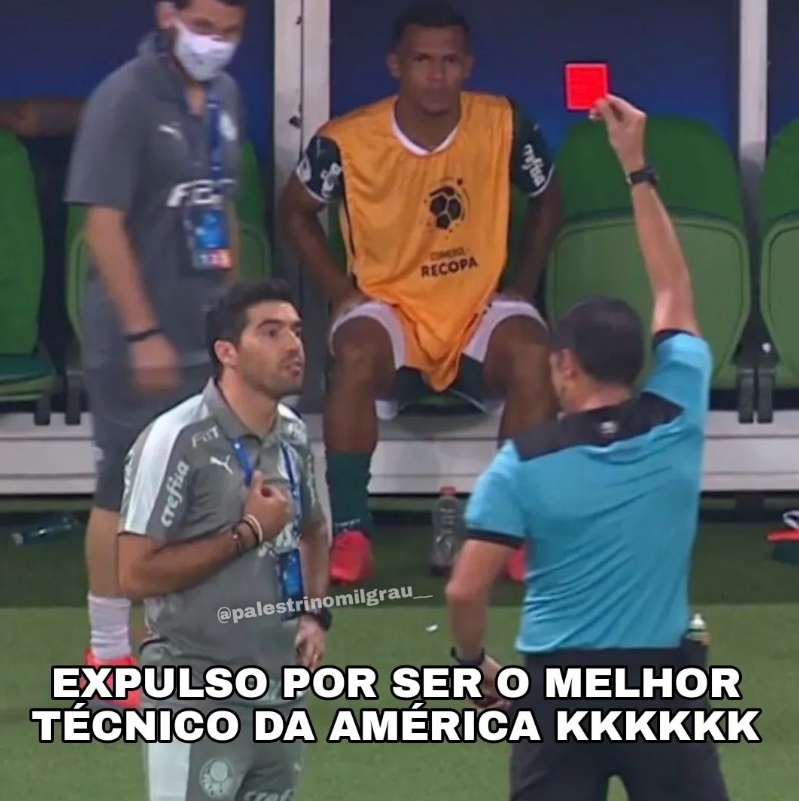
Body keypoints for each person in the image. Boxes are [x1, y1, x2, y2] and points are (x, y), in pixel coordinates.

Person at [445, 95, 731, 801]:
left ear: (566, 364)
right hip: (663, 686)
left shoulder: (522, 463)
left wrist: (472, 662)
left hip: (556, 691)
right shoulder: (678, 413)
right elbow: (673, 287)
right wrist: (635, 167)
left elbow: (465, 588)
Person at [277, 0, 561, 586]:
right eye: (422, 60)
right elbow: (294, 210)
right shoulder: (346, 141)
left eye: (449, 60)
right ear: (395, 65)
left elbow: (548, 198)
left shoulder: (505, 123)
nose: (436, 74)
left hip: (477, 305)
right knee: (356, 352)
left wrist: (521, 287)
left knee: (535, 353)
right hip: (390, 308)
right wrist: (339, 291)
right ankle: (351, 531)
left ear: (467, 65)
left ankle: (514, 529)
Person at [64, 0, 248, 709]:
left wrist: (234, 314)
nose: (216, 43)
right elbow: (102, 226)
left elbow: (222, 206)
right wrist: (143, 333)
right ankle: (108, 654)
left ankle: (177, 646)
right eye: (205, 26)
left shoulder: (226, 96)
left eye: (231, 32)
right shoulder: (124, 98)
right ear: (168, 13)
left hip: (206, 331)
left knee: (200, 490)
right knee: (122, 490)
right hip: (133, 338)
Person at [118, 278, 330, 801]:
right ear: (226, 352)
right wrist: (248, 533)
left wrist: (315, 614)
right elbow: (134, 572)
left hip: (280, 694)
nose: (293, 345)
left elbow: (314, 529)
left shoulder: (292, 434)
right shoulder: (175, 441)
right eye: (271, 332)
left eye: (296, 331)